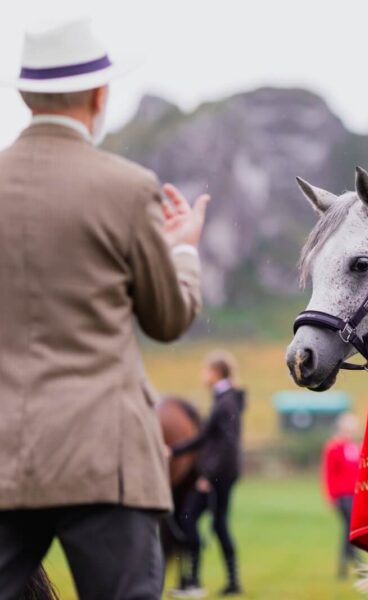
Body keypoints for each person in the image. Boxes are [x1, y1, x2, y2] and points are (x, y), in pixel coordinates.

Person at [0, 18, 208, 600]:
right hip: (106, 459)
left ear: (24, 96)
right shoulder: (126, 187)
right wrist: (183, 249)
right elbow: (168, 319)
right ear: (99, 96)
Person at [170, 351, 246, 597]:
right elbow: (204, 437)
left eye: (206, 370)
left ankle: (193, 583)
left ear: (216, 372)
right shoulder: (224, 399)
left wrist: (208, 476)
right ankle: (229, 582)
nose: (203, 375)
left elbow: (227, 443)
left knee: (190, 517)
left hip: (218, 476)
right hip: (221, 474)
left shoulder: (226, 402)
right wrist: (173, 450)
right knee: (216, 525)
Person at [320, 413, 362, 579]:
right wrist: (330, 496)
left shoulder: (354, 447)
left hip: (354, 494)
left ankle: (343, 568)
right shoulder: (334, 447)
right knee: (350, 529)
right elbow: (328, 473)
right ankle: (359, 564)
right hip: (342, 496)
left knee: (347, 531)